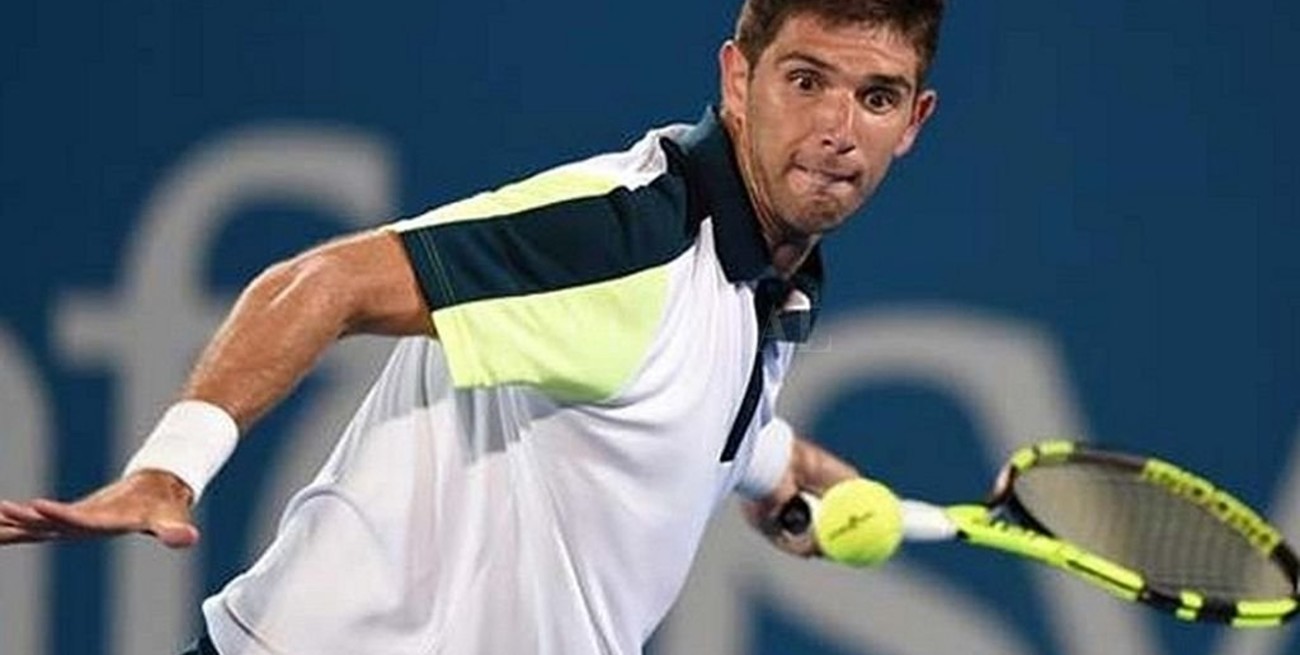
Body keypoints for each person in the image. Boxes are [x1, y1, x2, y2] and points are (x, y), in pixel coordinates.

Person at [0, 0, 942, 652]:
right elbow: (323, 281)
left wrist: (783, 472)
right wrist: (168, 470)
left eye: (876, 96)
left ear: (913, 122)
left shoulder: (766, 287)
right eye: (806, 80)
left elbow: (671, 405)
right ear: (737, 79)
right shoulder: (623, 236)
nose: (837, 128)